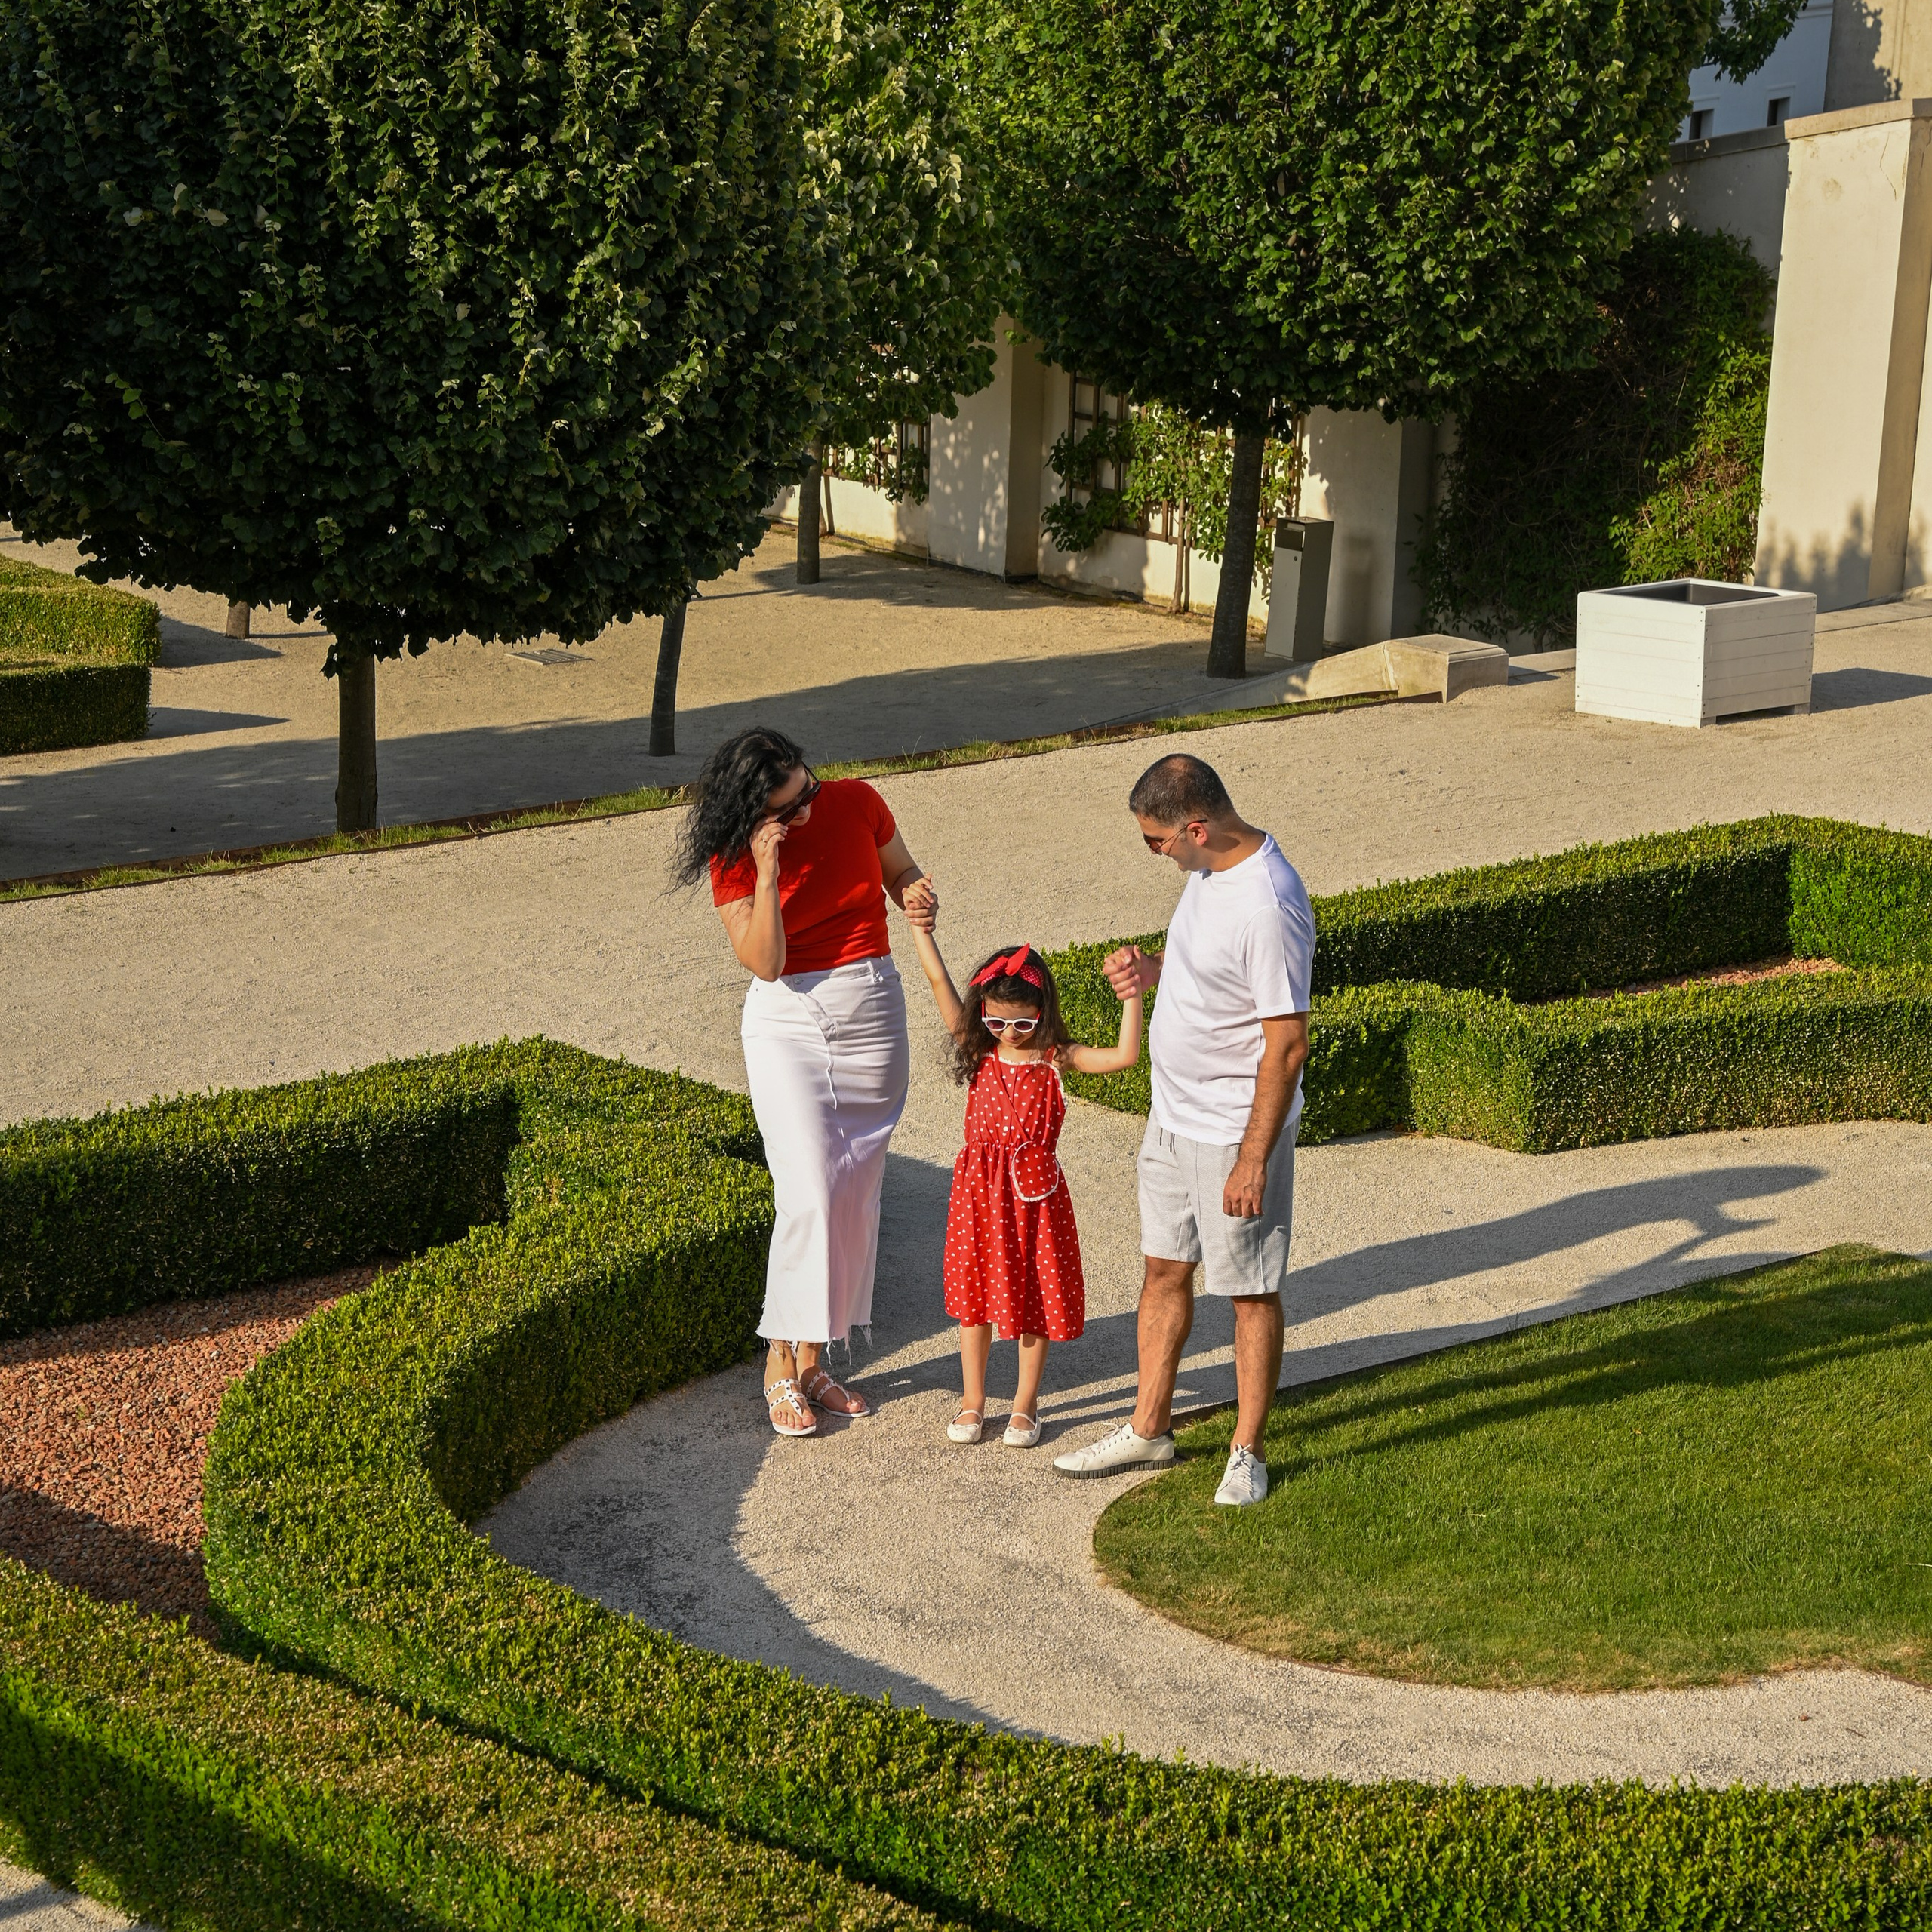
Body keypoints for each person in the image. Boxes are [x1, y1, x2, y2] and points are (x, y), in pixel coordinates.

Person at [1051, 752, 1313, 1506]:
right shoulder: (1207, 876)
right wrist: (1154, 967)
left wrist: (1251, 1159)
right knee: (1163, 1272)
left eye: (1156, 842)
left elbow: (1287, 1042)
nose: (1155, 854)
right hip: (1171, 1119)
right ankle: (1148, 1428)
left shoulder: (1268, 903)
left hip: (1233, 1133)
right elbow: (1213, 969)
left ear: (1195, 827)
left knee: (1250, 1290)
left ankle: (1247, 1451)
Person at [676, 725, 933, 1438]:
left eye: (808, 790)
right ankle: (777, 1366)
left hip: (873, 1006)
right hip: (788, 1018)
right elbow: (763, 961)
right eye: (789, 809)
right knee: (809, 1191)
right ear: (755, 813)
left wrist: (916, 894)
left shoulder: (857, 801)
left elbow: (901, 872)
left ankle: (816, 1362)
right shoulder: (733, 855)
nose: (808, 813)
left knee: (853, 1190)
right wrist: (765, 872)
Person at [903, 910, 1143, 1447]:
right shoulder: (978, 1048)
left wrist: (1132, 995)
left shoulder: (1058, 1059)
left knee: (1034, 1296)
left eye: (1021, 1023)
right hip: (980, 1198)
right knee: (975, 1300)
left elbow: (1126, 1056)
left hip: (1035, 1200)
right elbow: (939, 980)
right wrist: (921, 928)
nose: (1008, 1032)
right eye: (996, 1022)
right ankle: (972, 1402)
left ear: (1043, 1013)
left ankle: (1025, 1405)